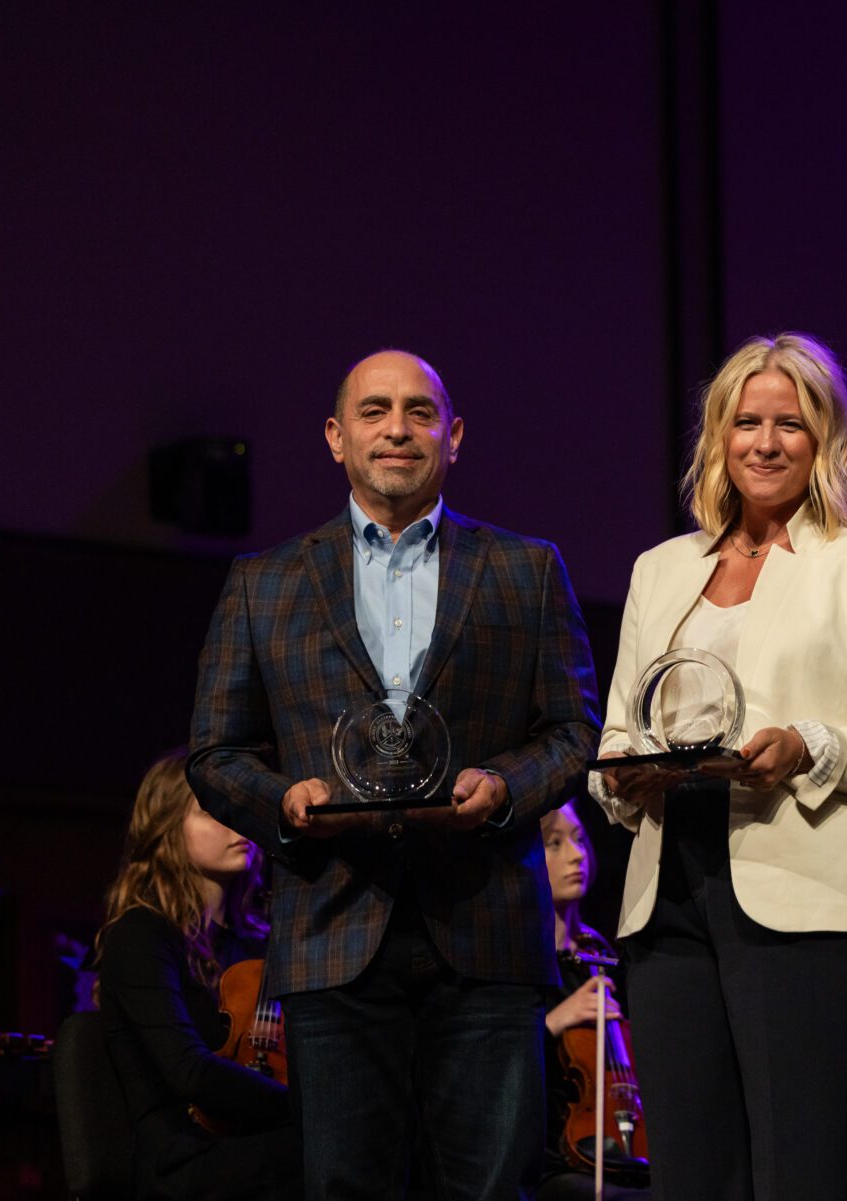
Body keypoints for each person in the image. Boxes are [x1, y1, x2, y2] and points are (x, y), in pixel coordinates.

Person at [188, 349, 601, 1201]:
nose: (397, 429)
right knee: (344, 1186)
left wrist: (503, 788)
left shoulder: (526, 570)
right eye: (375, 411)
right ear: (337, 438)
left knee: (491, 1187)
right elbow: (215, 753)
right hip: (332, 927)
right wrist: (283, 801)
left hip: (484, 927)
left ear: (452, 437)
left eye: (419, 412)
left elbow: (575, 730)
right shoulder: (263, 584)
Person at [592, 332, 847, 1201]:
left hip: (814, 904)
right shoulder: (660, 569)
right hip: (667, 901)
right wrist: (623, 775)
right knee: (691, 1180)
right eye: (747, 422)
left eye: (792, 423)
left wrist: (806, 747)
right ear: (719, 436)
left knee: (808, 1174)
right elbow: (616, 736)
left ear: (825, 441)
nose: (767, 442)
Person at [94, 749, 299, 1201]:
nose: (235, 825)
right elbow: (189, 1072)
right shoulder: (141, 934)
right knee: (329, 1156)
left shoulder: (257, 942)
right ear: (168, 829)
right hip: (185, 1160)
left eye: (239, 812)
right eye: (212, 812)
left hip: (254, 1141)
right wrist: (305, 1110)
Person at [536, 801, 651, 1201]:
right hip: (554, 1159)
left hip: (625, 1145)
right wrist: (554, 1022)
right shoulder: (522, 966)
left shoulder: (602, 955)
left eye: (580, 840)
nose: (577, 854)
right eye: (554, 843)